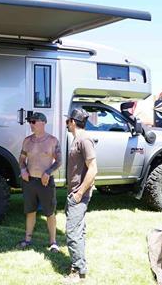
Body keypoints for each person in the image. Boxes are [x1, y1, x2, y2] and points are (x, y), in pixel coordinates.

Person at [18, 112, 61, 252]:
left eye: (33, 121)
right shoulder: (27, 141)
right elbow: (22, 159)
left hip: (45, 182)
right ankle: (27, 239)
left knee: (49, 212)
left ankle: (53, 241)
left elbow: (59, 161)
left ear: (43, 122)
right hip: (30, 181)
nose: (31, 124)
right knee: (30, 211)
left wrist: (48, 172)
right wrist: (23, 170)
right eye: (30, 122)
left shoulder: (53, 141)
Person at [64, 108, 98, 283]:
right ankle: (77, 265)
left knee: (72, 233)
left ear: (73, 122)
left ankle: (79, 272)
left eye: (67, 121)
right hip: (74, 192)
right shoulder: (77, 138)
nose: (66, 124)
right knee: (78, 231)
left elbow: (93, 169)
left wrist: (79, 193)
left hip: (79, 195)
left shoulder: (84, 140)